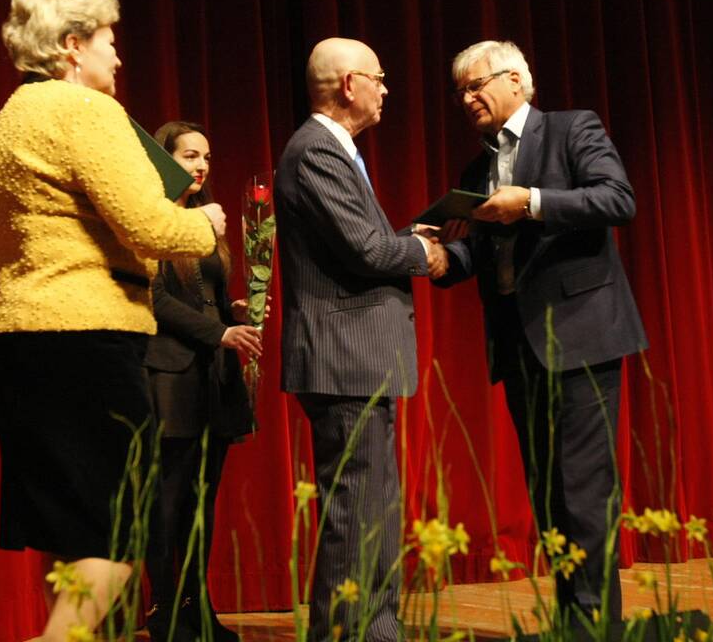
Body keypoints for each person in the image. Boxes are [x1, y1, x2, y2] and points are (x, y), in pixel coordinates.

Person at [0, 0, 226, 642]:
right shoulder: (84, 111)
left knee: (71, 532)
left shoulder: (8, 119)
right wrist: (209, 224)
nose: (118, 55)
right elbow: (150, 226)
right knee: (121, 530)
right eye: (108, 40)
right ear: (70, 45)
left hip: (20, 340)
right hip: (86, 338)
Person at [431, 40, 648, 621]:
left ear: (518, 80)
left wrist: (530, 201)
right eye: (461, 92)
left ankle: (593, 624)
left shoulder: (573, 129)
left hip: (581, 336)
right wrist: (446, 261)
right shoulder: (476, 168)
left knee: (584, 491)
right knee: (549, 494)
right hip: (519, 346)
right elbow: (482, 250)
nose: (467, 99)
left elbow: (617, 198)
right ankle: (572, 616)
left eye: (476, 86)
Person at [274, 37, 448, 641]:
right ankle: (361, 634)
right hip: (344, 360)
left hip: (355, 360)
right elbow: (368, 251)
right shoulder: (317, 149)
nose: (385, 88)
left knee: (368, 508)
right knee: (357, 513)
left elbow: (359, 245)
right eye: (379, 77)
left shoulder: (334, 149)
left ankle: (368, 630)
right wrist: (422, 251)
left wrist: (403, 237)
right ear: (349, 84)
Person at [142, 121, 261, 642]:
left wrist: (233, 308)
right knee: (167, 503)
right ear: (164, 160)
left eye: (206, 157)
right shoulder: (148, 218)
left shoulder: (203, 220)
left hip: (213, 377)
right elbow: (153, 299)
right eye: (190, 156)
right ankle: (165, 612)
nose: (202, 166)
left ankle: (199, 610)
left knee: (202, 503)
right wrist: (219, 330)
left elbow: (204, 293)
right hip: (169, 375)